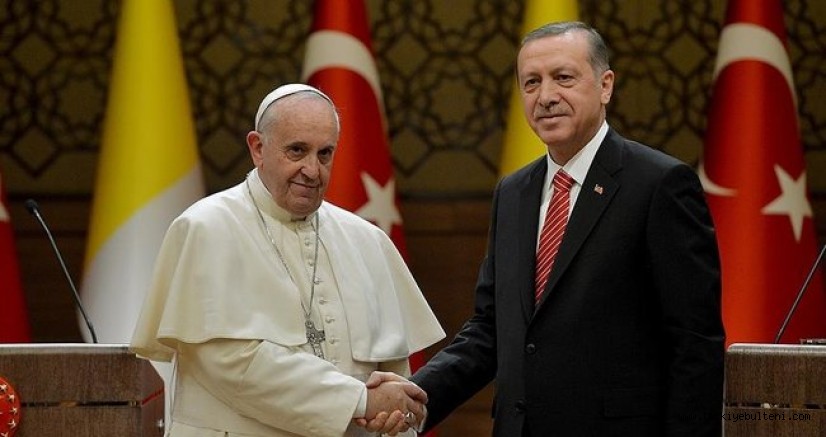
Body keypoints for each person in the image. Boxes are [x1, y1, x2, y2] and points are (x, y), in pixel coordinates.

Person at [363, 21, 725, 436]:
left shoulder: (659, 184)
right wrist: (418, 395)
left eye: (563, 78)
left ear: (605, 86)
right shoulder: (513, 192)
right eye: (531, 82)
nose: (546, 96)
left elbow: (695, 344)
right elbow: (490, 329)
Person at [130, 83, 445, 437]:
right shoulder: (206, 228)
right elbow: (230, 363)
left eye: (324, 154)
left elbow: (394, 378)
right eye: (297, 151)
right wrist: (360, 400)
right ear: (258, 148)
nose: (312, 170)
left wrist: (396, 415)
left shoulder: (367, 241)